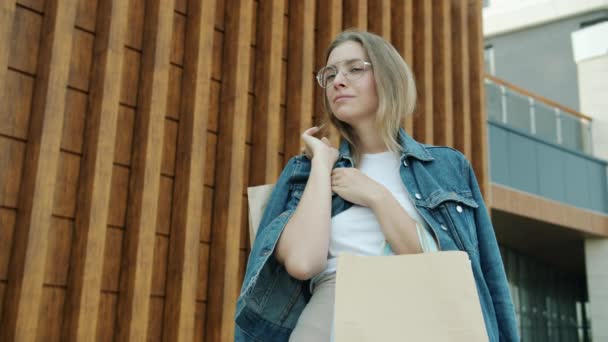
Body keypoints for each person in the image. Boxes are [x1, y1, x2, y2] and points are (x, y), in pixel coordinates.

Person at [234, 29, 518, 342]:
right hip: (330, 318)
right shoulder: (307, 171)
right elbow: (303, 262)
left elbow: (471, 272)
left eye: (355, 69)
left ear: (388, 77)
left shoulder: (446, 168)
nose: (338, 81)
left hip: (423, 317)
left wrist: (375, 196)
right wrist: (321, 164)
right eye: (330, 74)